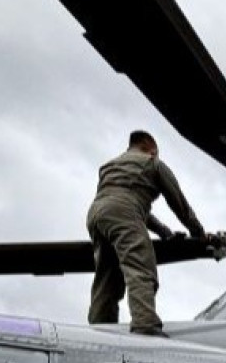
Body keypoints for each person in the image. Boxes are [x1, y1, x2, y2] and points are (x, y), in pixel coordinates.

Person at [87, 130, 208, 336]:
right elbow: (179, 204)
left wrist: (164, 232)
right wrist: (199, 233)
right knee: (140, 267)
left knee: (107, 276)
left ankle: (100, 330)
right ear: (150, 148)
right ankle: (145, 326)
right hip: (123, 213)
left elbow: (122, 203)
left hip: (96, 215)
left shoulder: (110, 166)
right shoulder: (153, 163)